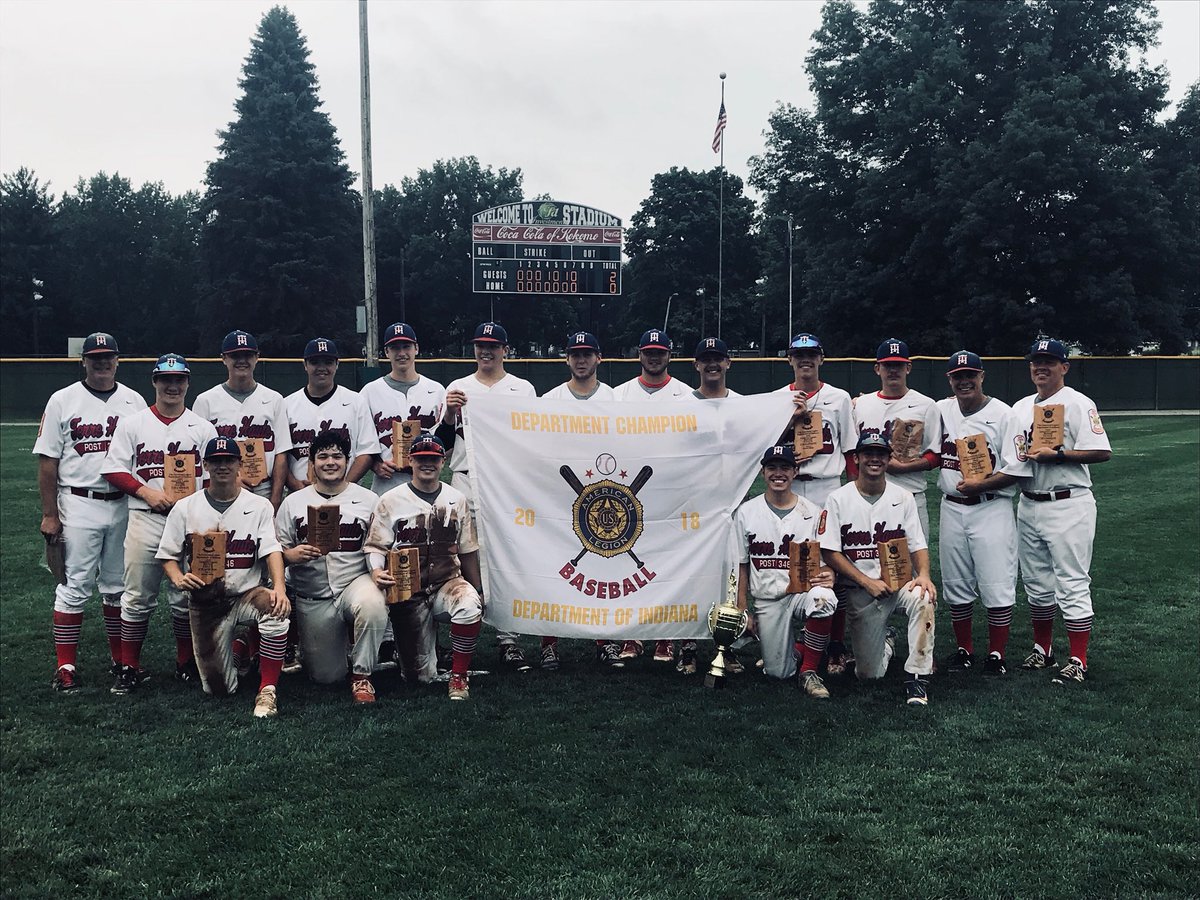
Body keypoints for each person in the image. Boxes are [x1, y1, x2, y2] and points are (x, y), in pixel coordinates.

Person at [34, 332, 147, 692]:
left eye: (107, 357)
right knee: (74, 585)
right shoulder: (62, 400)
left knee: (117, 586)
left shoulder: (134, 400)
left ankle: (120, 661)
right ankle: (65, 666)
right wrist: (50, 514)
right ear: (83, 361)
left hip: (123, 503)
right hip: (78, 502)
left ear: (118, 360)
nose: (102, 363)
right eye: (94, 357)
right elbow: (48, 461)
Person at [101, 353, 218, 693]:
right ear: (154, 382)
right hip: (146, 517)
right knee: (137, 595)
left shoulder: (202, 427)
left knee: (187, 595)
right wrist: (145, 493)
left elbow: (213, 475)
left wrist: (203, 508)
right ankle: (129, 667)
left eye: (178, 379)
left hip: (190, 521)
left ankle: (187, 662)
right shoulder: (133, 423)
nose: (172, 385)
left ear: (187, 383)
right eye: (165, 379)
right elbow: (113, 468)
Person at [1000, 338, 1111, 684]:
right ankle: (1043, 649)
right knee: (1035, 583)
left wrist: (1059, 455)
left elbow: (1101, 451)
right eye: (1036, 362)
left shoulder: (1078, 403)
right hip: (1029, 502)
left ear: (1065, 367)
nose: (1041, 367)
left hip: (1069, 502)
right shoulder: (1018, 408)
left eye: (1049, 361)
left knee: (1072, 581)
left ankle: (1078, 658)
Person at [156, 437, 290, 718]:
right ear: (205, 465)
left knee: (275, 608)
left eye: (228, 460)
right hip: (207, 602)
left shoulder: (259, 505)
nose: (222, 466)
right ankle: (238, 648)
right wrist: (179, 578)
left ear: (240, 464)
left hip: (247, 594)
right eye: (216, 461)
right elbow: (167, 555)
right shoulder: (186, 507)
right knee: (219, 689)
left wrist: (279, 586)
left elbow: (272, 549)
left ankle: (268, 689)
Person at [437, 322, 537, 671]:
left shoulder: (522, 389)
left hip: (508, 482)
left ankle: (509, 641)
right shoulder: (458, 387)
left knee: (506, 558)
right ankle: (458, 639)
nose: (486, 351)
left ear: (505, 350)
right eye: (481, 345)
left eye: (493, 345)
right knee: (460, 558)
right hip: (466, 479)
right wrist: (449, 412)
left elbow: (532, 440)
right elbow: (443, 444)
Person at [818, 433, 938, 706]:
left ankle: (917, 677)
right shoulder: (838, 499)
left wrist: (924, 575)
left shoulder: (904, 497)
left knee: (924, 597)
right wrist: (866, 581)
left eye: (881, 454)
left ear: (888, 459)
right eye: (868, 453)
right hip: (861, 592)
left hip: (899, 585)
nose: (875, 459)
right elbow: (830, 551)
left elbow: (917, 544)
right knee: (869, 675)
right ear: (856, 458)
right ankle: (887, 644)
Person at [365, 434, 484, 701]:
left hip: (446, 582)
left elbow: (467, 549)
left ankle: (459, 675)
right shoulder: (390, 499)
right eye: (421, 459)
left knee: (468, 606)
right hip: (408, 591)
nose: (427, 464)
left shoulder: (456, 498)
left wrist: (476, 587)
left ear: (443, 461)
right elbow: (376, 546)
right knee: (419, 677)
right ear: (411, 461)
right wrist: (375, 570)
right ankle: (415, 652)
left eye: (433, 459)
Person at [276, 430, 388, 704]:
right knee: (326, 677)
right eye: (322, 456)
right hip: (313, 594)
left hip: (354, 582)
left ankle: (362, 674)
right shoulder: (294, 502)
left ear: (347, 461)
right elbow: (274, 550)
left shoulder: (367, 499)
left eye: (337, 456)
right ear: (311, 463)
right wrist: (291, 555)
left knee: (372, 604)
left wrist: (376, 571)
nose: (330, 462)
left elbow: (379, 545)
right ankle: (327, 647)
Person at [775, 332, 856, 674]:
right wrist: (788, 420)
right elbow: (767, 449)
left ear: (821, 358)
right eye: (798, 354)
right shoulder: (777, 399)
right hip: (790, 486)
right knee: (790, 562)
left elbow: (850, 449)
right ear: (790, 360)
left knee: (831, 564)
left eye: (811, 354)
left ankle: (835, 646)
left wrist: (852, 496)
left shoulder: (838, 397)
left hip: (826, 486)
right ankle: (798, 642)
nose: (805, 360)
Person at [934, 351, 1018, 675]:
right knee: (955, 582)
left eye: (970, 374)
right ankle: (964, 650)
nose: (964, 380)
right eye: (958, 375)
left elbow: (1019, 468)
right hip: (952, 507)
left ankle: (996, 654)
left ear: (982, 376)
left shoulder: (1004, 414)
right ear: (950, 380)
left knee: (996, 581)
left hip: (991, 507)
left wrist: (982, 485)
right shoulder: (941, 410)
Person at [612, 328, 692, 668]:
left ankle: (667, 636)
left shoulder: (687, 395)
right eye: (648, 351)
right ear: (639, 355)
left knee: (668, 561)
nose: (654, 357)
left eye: (660, 351)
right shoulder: (618, 395)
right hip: (630, 488)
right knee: (632, 560)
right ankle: (634, 632)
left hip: (672, 487)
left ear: (669, 355)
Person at [735, 445, 837, 698]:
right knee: (778, 673)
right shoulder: (747, 512)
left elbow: (827, 557)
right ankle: (800, 648)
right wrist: (742, 608)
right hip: (768, 597)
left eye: (785, 468)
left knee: (824, 598)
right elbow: (741, 563)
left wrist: (828, 573)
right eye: (772, 468)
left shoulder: (812, 512)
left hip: (802, 592)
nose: (778, 473)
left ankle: (810, 671)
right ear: (763, 473)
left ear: (795, 471)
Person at [541, 331, 617, 668]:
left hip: (602, 493)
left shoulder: (615, 400)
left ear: (598, 358)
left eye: (587, 353)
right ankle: (548, 643)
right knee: (550, 565)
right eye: (575, 354)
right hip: (560, 494)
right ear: (567, 359)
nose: (581, 359)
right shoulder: (550, 399)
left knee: (604, 565)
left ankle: (606, 641)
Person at [192, 330, 293, 511]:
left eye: (247, 355)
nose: (242, 360)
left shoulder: (274, 399)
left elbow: (281, 453)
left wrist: (276, 497)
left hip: (264, 488)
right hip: (220, 490)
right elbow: (199, 455)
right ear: (224, 358)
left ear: (257, 357)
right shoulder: (205, 401)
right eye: (235, 355)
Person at [852, 338, 941, 540]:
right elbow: (850, 452)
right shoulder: (861, 405)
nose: (893, 370)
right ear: (877, 368)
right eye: (887, 365)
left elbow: (936, 455)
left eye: (898, 365)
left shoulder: (926, 405)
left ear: (908, 367)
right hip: (868, 498)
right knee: (869, 565)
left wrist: (903, 468)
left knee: (915, 566)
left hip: (910, 495)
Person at [360, 322, 446, 497]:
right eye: (394, 348)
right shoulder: (369, 392)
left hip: (429, 483)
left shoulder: (437, 390)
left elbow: (447, 441)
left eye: (406, 346)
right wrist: (375, 464)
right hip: (386, 484)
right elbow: (359, 441)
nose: (401, 353)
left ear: (416, 349)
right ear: (386, 352)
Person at [284, 337, 380, 491]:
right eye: (315, 362)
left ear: (337, 364)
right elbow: (281, 455)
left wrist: (344, 486)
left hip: (348, 495)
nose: (322, 368)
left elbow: (367, 452)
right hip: (301, 494)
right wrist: (295, 485)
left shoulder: (356, 401)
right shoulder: (287, 405)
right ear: (305, 365)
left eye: (328, 362)